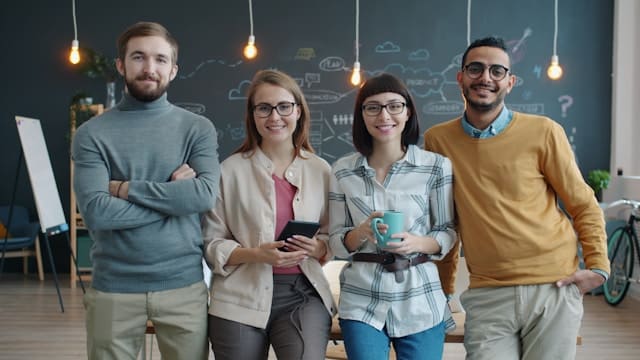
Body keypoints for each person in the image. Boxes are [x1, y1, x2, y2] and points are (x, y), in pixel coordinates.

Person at [423, 36, 610, 360]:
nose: (485, 78)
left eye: (497, 71)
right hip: (487, 293)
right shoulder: (438, 140)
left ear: (510, 82)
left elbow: (583, 204)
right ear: (460, 77)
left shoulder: (544, 131)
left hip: (554, 286)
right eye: (476, 69)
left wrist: (599, 268)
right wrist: (444, 290)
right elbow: (446, 221)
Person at [72, 22, 219, 360]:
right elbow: (97, 212)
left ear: (174, 69)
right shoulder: (92, 134)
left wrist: (125, 189)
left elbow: (202, 196)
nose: (150, 68)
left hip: (184, 287)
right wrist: (172, 196)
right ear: (121, 65)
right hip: (113, 288)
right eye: (139, 57)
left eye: (160, 59)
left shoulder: (197, 129)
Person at [202, 69, 336, 360]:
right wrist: (258, 255)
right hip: (239, 294)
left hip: (303, 293)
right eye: (264, 108)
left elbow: (332, 235)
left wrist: (319, 246)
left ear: (298, 111)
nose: (275, 117)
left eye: (284, 107)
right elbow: (211, 245)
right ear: (252, 115)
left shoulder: (321, 170)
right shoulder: (228, 171)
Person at [329, 73, 456, 360]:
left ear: (408, 111)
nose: (384, 115)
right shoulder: (342, 170)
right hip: (361, 298)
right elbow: (336, 242)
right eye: (372, 107)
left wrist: (416, 243)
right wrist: (361, 231)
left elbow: (448, 230)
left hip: (420, 297)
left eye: (394, 106)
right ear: (361, 115)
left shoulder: (436, 166)